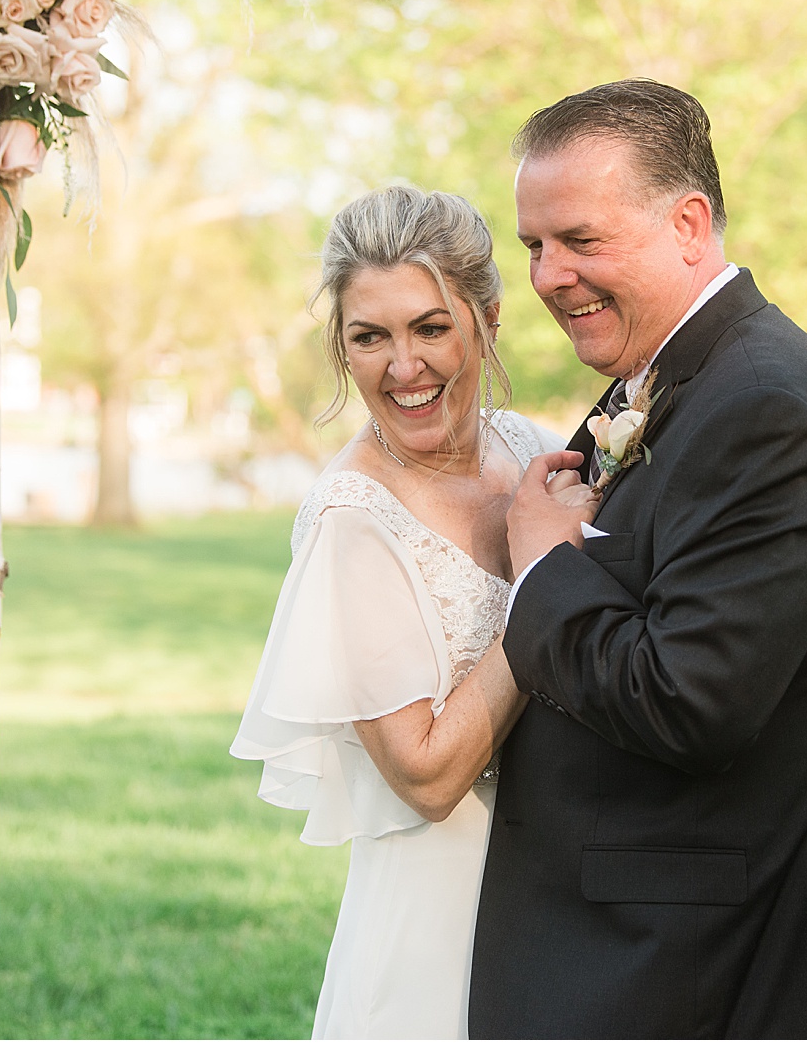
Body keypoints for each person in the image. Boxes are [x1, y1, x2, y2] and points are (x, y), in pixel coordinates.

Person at [469, 79, 807, 1037]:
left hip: (708, 965)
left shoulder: (766, 407)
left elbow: (689, 701)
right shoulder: (681, 377)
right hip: (655, 943)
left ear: (688, 224)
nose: (550, 276)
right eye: (535, 247)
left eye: (580, 240)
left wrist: (545, 566)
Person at [229, 185, 593, 1038]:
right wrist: (541, 583)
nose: (403, 367)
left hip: (566, 906)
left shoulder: (532, 450)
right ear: (341, 347)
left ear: (488, 320)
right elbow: (425, 776)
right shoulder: (351, 527)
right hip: (436, 933)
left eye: (430, 327)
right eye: (370, 337)